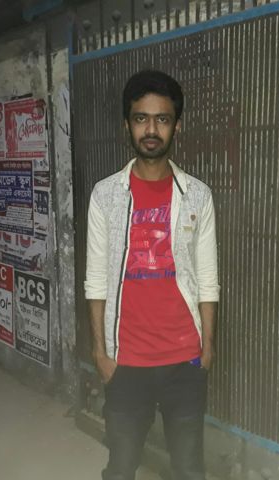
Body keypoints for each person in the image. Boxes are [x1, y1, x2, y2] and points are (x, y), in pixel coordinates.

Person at [84, 69, 220, 480]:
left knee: (190, 470)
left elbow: (207, 278)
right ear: (127, 125)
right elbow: (96, 279)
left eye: (162, 119)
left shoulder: (197, 195)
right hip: (126, 361)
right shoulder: (106, 195)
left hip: (185, 360)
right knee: (121, 468)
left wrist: (207, 348)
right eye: (141, 118)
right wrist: (100, 353)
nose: (151, 130)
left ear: (177, 126)